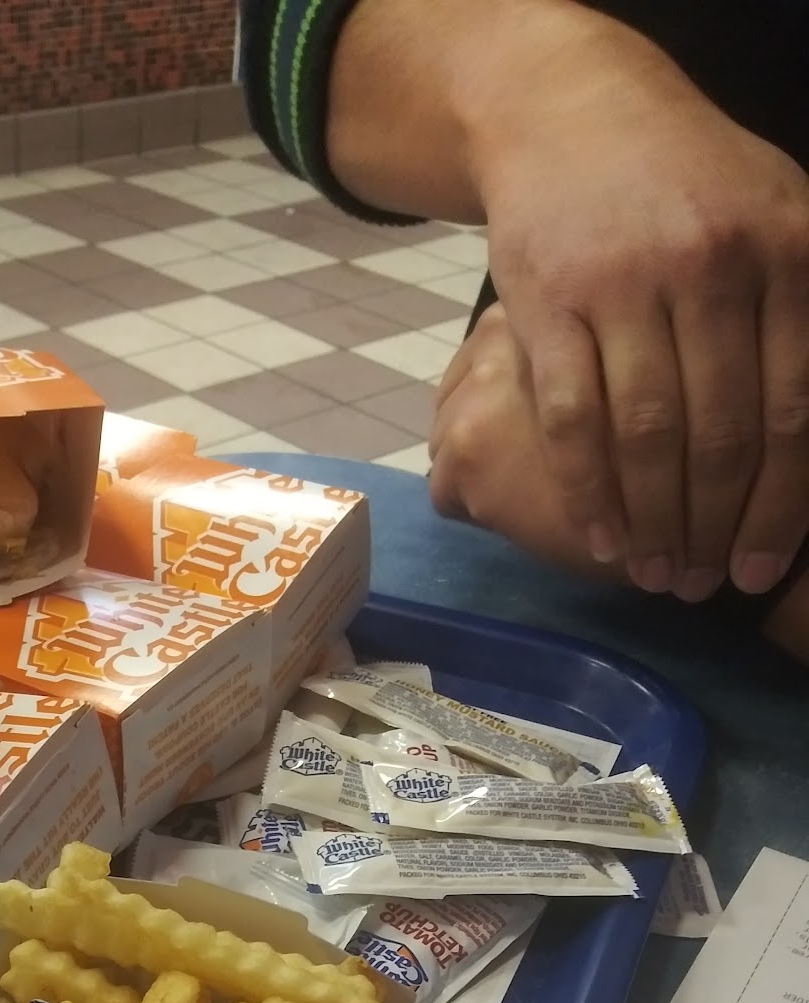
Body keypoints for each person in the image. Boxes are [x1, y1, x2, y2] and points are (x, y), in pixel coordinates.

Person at [240, 0, 809, 656]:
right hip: (523, 559)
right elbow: (288, 35)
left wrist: (744, 551)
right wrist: (546, 84)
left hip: (602, 525)